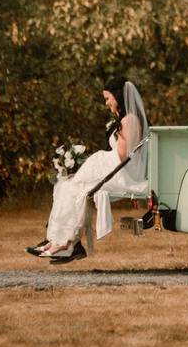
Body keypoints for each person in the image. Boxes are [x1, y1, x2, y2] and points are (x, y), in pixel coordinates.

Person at [27, 77, 149, 264]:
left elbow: (123, 156)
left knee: (75, 187)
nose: (107, 102)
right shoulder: (123, 119)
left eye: (109, 98)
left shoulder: (130, 120)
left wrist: (100, 159)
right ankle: (59, 241)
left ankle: (66, 243)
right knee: (65, 185)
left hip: (122, 173)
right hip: (113, 168)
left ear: (118, 97)